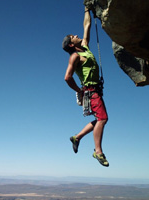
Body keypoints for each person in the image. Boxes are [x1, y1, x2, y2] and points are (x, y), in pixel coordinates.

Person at [62, 7, 109, 167]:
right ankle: (98, 151)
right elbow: (67, 77)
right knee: (102, 119)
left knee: (100, 118)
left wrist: (86, 9)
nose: (76, 36)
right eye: (72, 37)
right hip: (90, 91)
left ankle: (77, 137)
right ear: (70, 45)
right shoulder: (75, 56)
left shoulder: (85, 47)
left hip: (96, 90)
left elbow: (87, 26)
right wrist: (79, 90)